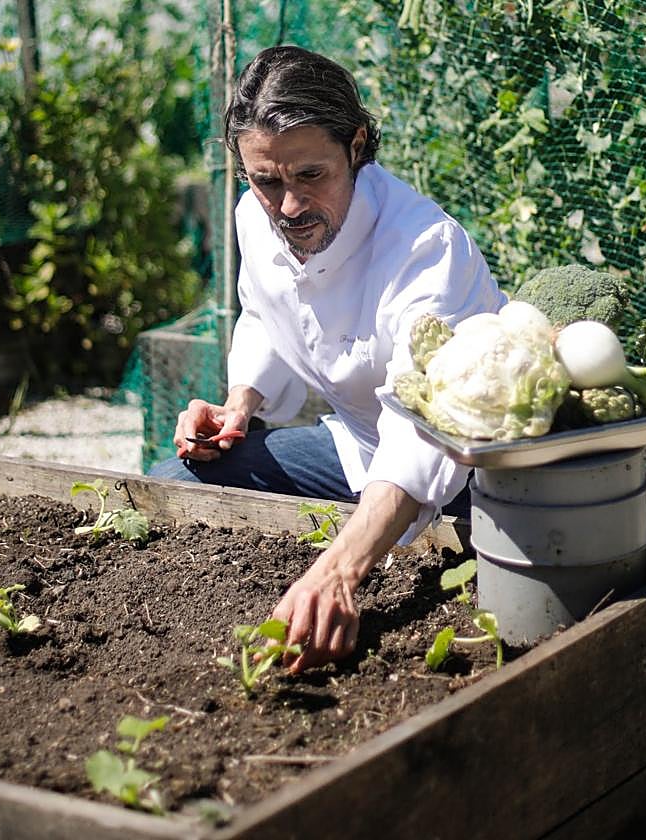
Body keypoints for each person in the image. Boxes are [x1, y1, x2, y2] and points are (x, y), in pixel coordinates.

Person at [149, 45, 507, 673]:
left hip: (478, 472)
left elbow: (425, 428)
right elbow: (265, 314)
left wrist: (338, 569)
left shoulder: (425, 251)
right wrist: (239, 406)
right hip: (361, 452)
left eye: (311, 175)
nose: (288, 207)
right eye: (266, 181)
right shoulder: (256, 222)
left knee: (531, 593)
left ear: (357, 145)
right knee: (176, 486)